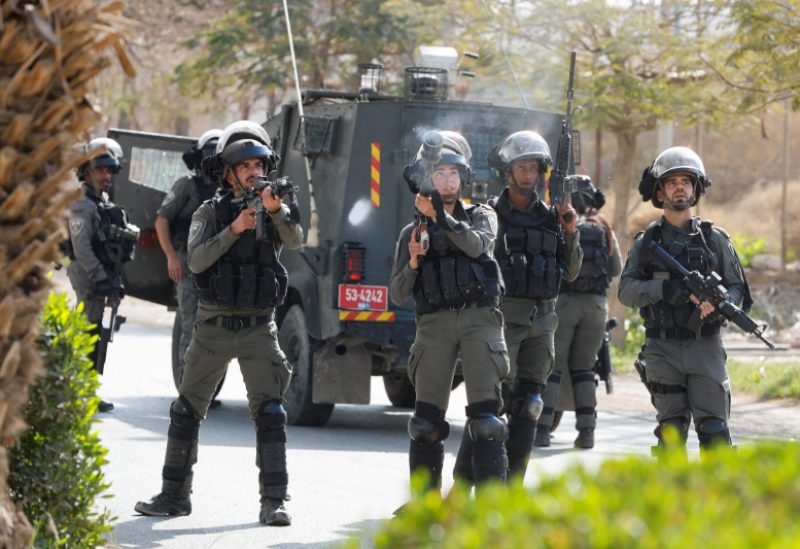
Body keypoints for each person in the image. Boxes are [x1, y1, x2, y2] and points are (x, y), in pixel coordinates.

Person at [134, 120, 303, 526]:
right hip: (211, 328)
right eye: (244, 165)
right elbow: (195, 260)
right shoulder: (209, 211)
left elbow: (295, 240)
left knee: (270, 413)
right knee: (186, 410)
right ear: (228, 172)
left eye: (258, 164)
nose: (253, 171)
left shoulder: (276, 208)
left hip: (258, 328)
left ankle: (274, 500)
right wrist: (234, 229)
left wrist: (275, 211)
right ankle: (175, 495)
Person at [453, 130, 582, 482]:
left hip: (542, 320)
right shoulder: (488, 215)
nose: (529, 173)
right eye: (521, 166)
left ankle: (513, 492)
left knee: (530, 406)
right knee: (488, 410)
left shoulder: (554, 218)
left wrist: (571, 232)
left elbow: (571, 271)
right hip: (500, 319)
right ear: (506, 172)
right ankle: (461, 490)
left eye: (534, 167)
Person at [390, 130, 510, 492]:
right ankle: (424, 508)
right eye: (439, 173)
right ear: (430, 178)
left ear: (464, 178)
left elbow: (476, 247)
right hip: (435, 324)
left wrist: (441, 216)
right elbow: (397, 294)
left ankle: (490, 513)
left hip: (480, 320)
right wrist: (413, 262)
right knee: (425, 424)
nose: (447, 180)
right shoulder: (413, 230)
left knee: (487, 422)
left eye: (453, 173)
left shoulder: (483, 215)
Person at [618, 146, 749, 454]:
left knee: (715, 434)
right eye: (672, 181)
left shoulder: (714, 239)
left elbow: (738, 289)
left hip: (705, 346)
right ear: (660, 193)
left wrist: (718, 302)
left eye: (686, 181)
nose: (680, 187)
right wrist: (663, 290)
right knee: (671, 436)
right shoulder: (646, 243)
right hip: (662, 349)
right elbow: (626, 291)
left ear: (695, 190)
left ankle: (718, 503)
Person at [535, 175, 622, 449]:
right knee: (585, 369)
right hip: (596, 307)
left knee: (553, 367)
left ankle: (542, 430)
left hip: (564, 303)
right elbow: (617, 268)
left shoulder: (561, 224)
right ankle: (587, 433)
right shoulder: (605, 228)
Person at [65, 137, 137, 413]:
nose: (106, 176)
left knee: (96, 334)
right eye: (101, 170)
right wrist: (101, 277)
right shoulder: (83, 204)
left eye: (109, 171)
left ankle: (85, 391)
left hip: (100, 274)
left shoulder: (99, 201)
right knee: (88, 332)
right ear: (86, 173)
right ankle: (78, 393)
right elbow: (81, 248)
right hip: (88, 274)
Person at [154, 129, 223, 404]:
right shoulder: (186, 185)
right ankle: (189, 390)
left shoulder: (229, 190)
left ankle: (206, 388)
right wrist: (171, 256)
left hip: (217, 265)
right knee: (192, 322)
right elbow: (162, 221)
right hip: (188, 263)